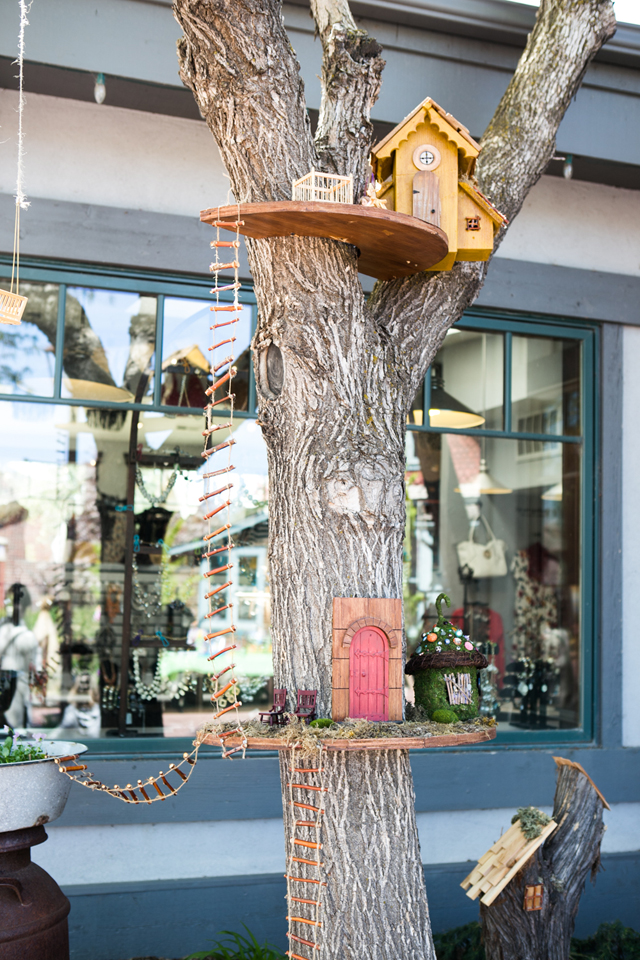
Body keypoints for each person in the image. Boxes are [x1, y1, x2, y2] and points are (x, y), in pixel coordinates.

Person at [0, 583, 42, 729]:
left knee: (14, 731)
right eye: (10, 602)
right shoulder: (4, 630)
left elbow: (35, 670)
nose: (13, 607)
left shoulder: (27, 637)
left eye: (17, 603)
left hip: (17, 695)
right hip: (10, 693)